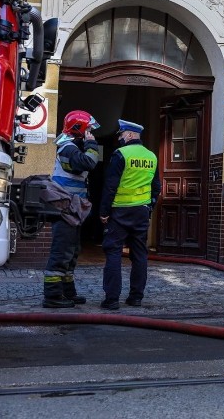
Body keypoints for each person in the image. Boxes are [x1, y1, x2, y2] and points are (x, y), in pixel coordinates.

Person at [99, 120, 160, 310]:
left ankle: (111, 300)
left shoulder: (121, 154)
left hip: (120, 211)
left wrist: (104, 212)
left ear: (130, 135)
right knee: (140, 255)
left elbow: (110, 186)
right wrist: (150, 207)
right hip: (141, 212)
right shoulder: (151, 156)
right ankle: (136, 297)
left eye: (121, 134)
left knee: (113, 252)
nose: (119, 138)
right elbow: (156, 186)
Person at [42, 110, 100, 309]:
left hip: (72, 208)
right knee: (61, 252)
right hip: (64, 208)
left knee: (72, 252)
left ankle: (68, 292)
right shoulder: (67, 148)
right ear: (80, 129)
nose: (92, 132)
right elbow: (89, 163)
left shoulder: (72, 146)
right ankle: (52, 296)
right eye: (89, 129)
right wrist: (92, 145)